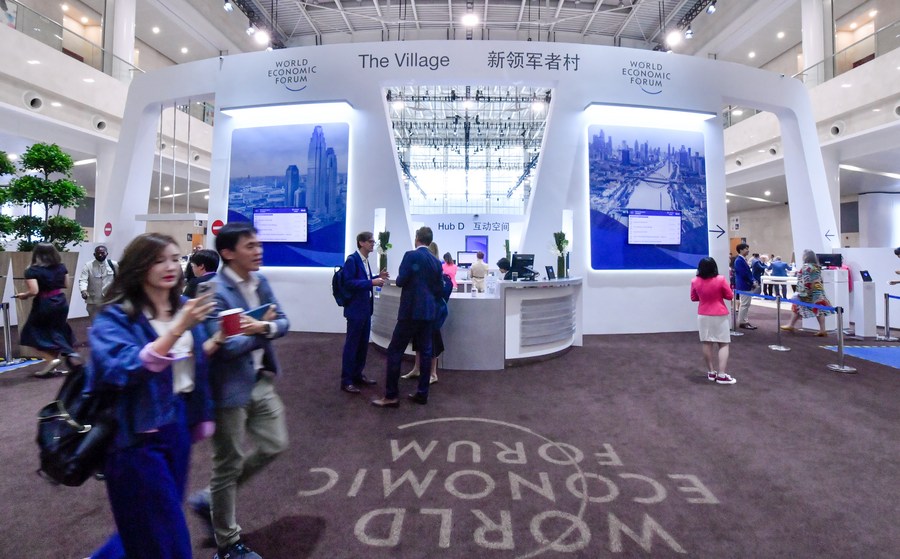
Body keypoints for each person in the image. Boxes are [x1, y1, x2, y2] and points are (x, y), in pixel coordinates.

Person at [87, 233, 218, 559]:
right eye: (159, 260)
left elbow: (193, 363)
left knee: (151, 522)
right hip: (135, 434)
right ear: (138, 266)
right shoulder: (116, 317)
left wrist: (221, 338)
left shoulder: (184, 307)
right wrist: (177, 329)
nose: (170, 266)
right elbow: (122, 368)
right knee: (167, 536)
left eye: (175, 258)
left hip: (177, 425)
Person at [188, 222, 289, 559]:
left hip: (260, 380)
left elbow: (284, 322)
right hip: (228, 389)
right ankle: (228, 544)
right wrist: (262, 330)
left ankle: (209, 498)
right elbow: (226, 347)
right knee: (227, 464)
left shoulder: (261, 282)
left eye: (258, 245)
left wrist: (262, 327)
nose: (258, 251)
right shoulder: (212, 291)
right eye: (250, 246)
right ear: (228, 253)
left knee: (275, 444)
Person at [372, 226, 443, 408]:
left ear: (417, 238)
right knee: (426, 353)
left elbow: (401, 281)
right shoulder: (436, 262)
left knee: (395, 350)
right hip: (428, 313)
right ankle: (422, 394)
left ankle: (391, 396)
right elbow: (439, 288)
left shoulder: (411, 256)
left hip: (410, 312)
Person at [15, 243, 76, 377]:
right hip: (60, 302)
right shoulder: (62, 267)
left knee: (31, 332)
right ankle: (52, 367)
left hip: (44, 303)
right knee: (56, 331)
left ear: (36, 254)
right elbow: (66, 284)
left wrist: (23, 295)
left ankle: (51, 360)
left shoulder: (32, 270)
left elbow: (34, 291)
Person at [339, 231, 387, 394]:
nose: (373, 244)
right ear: (361, 243)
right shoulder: (352, 260)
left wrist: (377, 276)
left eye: (373, 242)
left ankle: (357, 375)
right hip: (355, 310)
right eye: (370, 241)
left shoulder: (365, 260)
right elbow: (349, 283)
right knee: (352, 345)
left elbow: (363, 279)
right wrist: (372, 282)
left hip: (366, 309)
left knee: (362, 345)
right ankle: (346, 381)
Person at [402, 241, 444, 385]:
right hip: (425, 310)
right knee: (419, 341)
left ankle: (432, 373)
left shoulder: (434, 266)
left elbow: (440, 290)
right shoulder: (435, 265)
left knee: (431, 342)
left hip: (431, 312)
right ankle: (417, 369)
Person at [690, 257, 736, 385]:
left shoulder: (694, 281)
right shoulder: (720, 279)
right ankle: (722, 374)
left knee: (707, 343)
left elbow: (693, 298)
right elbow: (730, 296)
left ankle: (711, 372)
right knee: (723, 343)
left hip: (703, 314)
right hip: (719, 314)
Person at [782, 249, 833, 337]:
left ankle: (791, 325)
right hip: (818, 290)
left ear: (806, 257)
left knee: (796, 306)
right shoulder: (817, 267)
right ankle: (822, 330)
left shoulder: (806, 267)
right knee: (819, 310)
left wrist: (802, 291)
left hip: (808, 291)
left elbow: (806, 280)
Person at [79, 245, 118, 321]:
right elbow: (83, 280)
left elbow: (120, 278)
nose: (100, 255)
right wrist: (83, 290)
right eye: (98, 253)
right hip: (93, 300)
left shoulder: (114, 264)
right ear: (94, 254)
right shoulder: (88, 265)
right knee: (95, 321)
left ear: (106, 253)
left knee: (110, 321)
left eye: (102, 253)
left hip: (109, 299)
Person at [733, 243, 758, 329]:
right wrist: (752, 282)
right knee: (744, 304)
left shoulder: (742, 260)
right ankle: (742, 322)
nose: (748, 250)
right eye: (746, 249)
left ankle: (745, 320)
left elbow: (748, 273)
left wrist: (753, 281)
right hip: (744, 285)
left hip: (746, 284)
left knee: (746, 304)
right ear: (741, 250)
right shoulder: (739, 260)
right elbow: (744, 274)